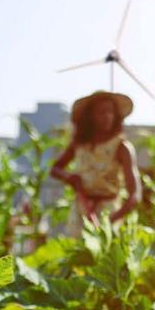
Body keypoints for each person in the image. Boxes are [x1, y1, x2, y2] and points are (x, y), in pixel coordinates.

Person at [50, 91, 142, 228]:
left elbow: (135, 195)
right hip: (81, 208)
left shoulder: (122, 147)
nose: (107, 116)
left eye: (110, 112)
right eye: (101, 112)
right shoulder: (79, 145)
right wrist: (70, 178)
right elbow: (55, 169)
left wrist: (112, 219)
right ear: (90, 117)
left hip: (109, 212)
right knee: (76, 247)